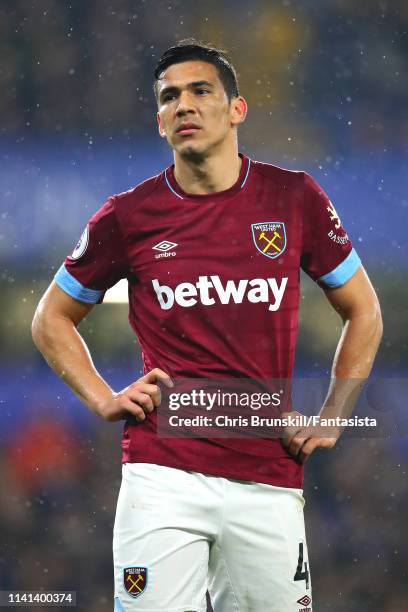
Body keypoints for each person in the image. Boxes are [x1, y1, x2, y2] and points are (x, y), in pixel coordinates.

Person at [32, 40, 382, 612]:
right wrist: (101, 397)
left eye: (200, 91)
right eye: (170, 97)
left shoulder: (294, 198)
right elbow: (51, 318)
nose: (184, 105)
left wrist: (334, 416)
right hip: (161, 475)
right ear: (159, 121)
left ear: (236, 109)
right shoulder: (128, 216)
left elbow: (364, 309)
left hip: (268, 474)